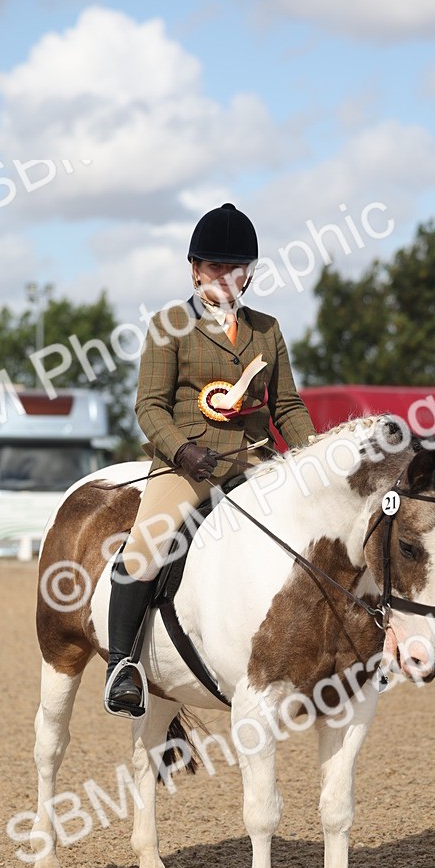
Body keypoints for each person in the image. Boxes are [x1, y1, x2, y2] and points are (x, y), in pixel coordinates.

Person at [104, 202, 315, 717]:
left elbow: (285, 406)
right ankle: (120, 667)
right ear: (195, 269)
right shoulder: (168, 325)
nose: (226, 277)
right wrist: (181, 449)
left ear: (250, 273)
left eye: (235, 268)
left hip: (256, 460)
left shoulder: (267, 329)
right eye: (215, 267)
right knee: (146, 547)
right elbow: (149, 406)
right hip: (186, 464)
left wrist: (317, 459)